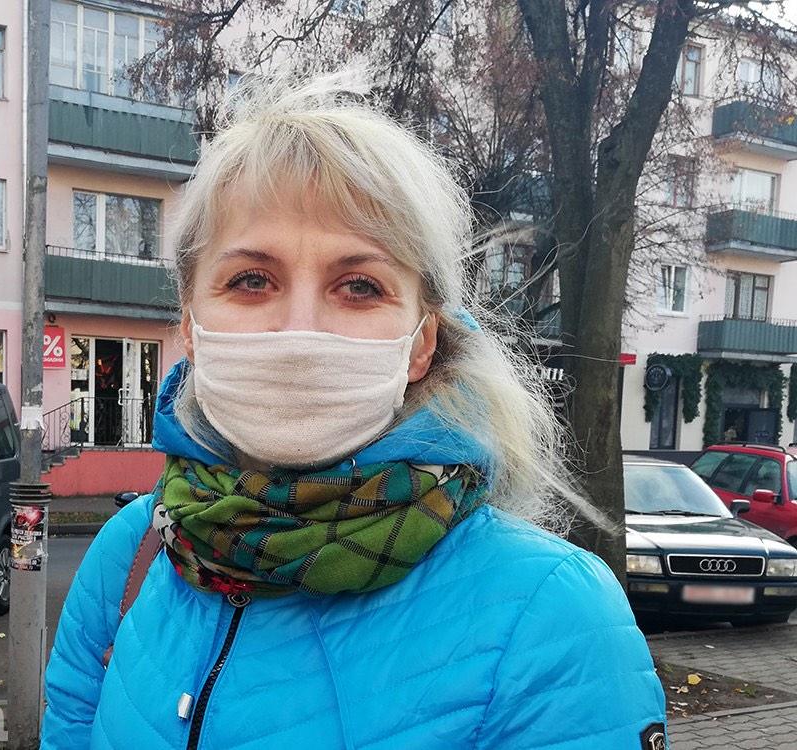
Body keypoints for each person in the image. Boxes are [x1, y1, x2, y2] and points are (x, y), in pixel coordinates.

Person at [41, 70, 666, 749]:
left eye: (360, 286)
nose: (298, 331)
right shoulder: (131, 553)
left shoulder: (551, 616)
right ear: (190, 326)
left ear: (421, 343)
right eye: (251, 280)